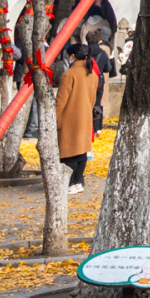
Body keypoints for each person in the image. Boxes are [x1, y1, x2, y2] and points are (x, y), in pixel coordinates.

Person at [55, 36, 103, 196]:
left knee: (68, 152)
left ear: (73, 56)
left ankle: (69, 183)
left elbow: (61, 101)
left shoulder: (69, 74)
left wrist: (54, 120)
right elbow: (93, 98)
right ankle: (78, 181)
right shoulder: (92, 75)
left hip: (69, 118)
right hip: (85, 117)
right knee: (82, 151)